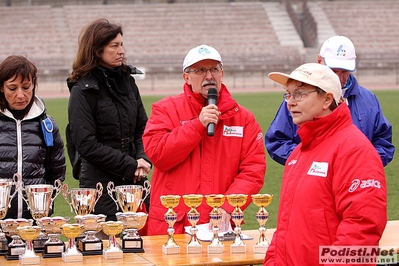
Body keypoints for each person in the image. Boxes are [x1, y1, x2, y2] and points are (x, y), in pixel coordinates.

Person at [263, 63, 387, 266]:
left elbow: (361, 232)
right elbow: (285, 227)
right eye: (288, 94)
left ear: (327, 99)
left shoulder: (355, 151)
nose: (290, 102)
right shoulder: (298, 152)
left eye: (300, 94)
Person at [142, 44, 266, 236]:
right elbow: (159, 156)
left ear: (222, 73)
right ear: (186, 77)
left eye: (214, 69)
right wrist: (197, 125)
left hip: (220, 224)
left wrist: (228, 205)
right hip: (173, 226)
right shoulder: (165, 109)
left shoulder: (243, 118)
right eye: (200, 70)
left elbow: (253, 170)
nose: (209, 76)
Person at [67, 19, 152, 223]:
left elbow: (143, 128)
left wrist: (143, 159)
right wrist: (131, 165)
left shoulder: (129, 83)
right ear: (97, 50)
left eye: (121, 44)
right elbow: (87, 144)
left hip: (135, 182)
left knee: (140, 248)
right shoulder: (82, 91)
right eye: (114, 46)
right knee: (105, 249)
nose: (121, 51)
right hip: (98, 187)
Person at [265, 35, 394, 166]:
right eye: (333, 70)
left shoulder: (368, 99)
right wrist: (311, 162)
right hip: (312, 182)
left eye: (344, 71)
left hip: (356, 180)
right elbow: (277, 141)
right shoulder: (298, 99)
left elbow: (383, 143)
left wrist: (362, 163)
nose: (338, 77)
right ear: (319, 60)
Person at [0, 55, 66, 220]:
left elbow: (57, 172)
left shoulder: (47, 125)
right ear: (1, 87)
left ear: (34, 85)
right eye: (13, 88)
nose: (21, 95)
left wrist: (43, 204)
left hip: (36, 222)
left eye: (26, 87)